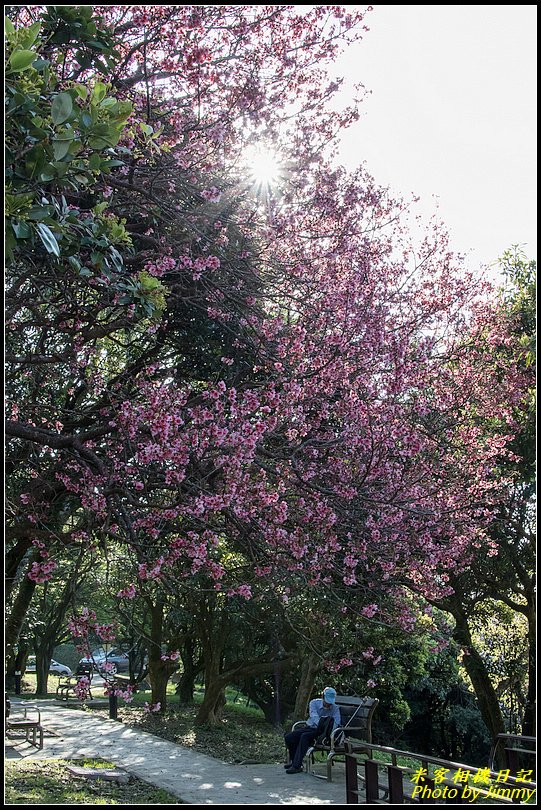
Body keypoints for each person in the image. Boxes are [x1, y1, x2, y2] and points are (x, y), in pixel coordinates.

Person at [283, 686, 341, 774]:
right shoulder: (314, 703)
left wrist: (326, 730)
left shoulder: (335, 708)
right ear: (323, 697)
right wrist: (321, 724)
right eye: (327, 701)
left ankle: (297, 766)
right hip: (311, 727)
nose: (329, 704)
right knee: (289, 737)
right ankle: (294, 761)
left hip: (324, 732)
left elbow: (337, 722)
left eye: (330, 702)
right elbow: (314, 716)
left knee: (304, 736)